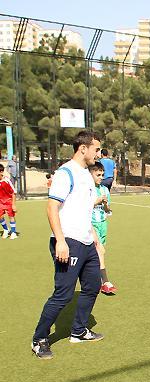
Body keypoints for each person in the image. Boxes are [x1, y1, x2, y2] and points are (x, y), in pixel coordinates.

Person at [31, 130, 104, 360]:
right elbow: (51, 208)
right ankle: (39, 339)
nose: (98, 154)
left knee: (92, 286)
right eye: (96, 149)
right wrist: (60, 241)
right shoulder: (65, 173)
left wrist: (95, 238)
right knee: (63, 294)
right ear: (83, 148)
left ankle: (78, 331)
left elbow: (84, 211)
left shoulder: (87, 176)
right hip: (68, 241)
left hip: (86, 242)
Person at [90, 162, 117, 295]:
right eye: (98, 175)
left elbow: (107, 210)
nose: (101, 177)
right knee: (100, 251)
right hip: (91, 224)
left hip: (102, 224)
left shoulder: (104, 189)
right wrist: (96, 201)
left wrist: (105, 204)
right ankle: (105, 282)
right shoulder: (87, 189)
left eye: (102, 175)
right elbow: (82, 207)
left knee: (96, 254)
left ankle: (93, 280)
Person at [0, 163, 18, 239]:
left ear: (1, 172)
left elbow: (13, 192)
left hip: (9, 201)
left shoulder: (6, 181)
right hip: (1, 202)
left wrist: (13, 204)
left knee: (11, 216)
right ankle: (6, 230)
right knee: (0, 216)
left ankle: (13, 232)